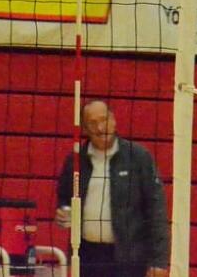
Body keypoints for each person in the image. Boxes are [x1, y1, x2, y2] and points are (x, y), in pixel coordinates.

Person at [56, 100, 170, 277]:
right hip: (88, 257)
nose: (101, 127)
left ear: (114, 120)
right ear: (84, 128)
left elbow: (157, 211)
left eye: (104, 119)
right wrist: (64, 213)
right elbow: (64, 200)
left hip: (129, 259)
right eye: (93, 123)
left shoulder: (138, 157)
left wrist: (159, 261)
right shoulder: (76, 160)